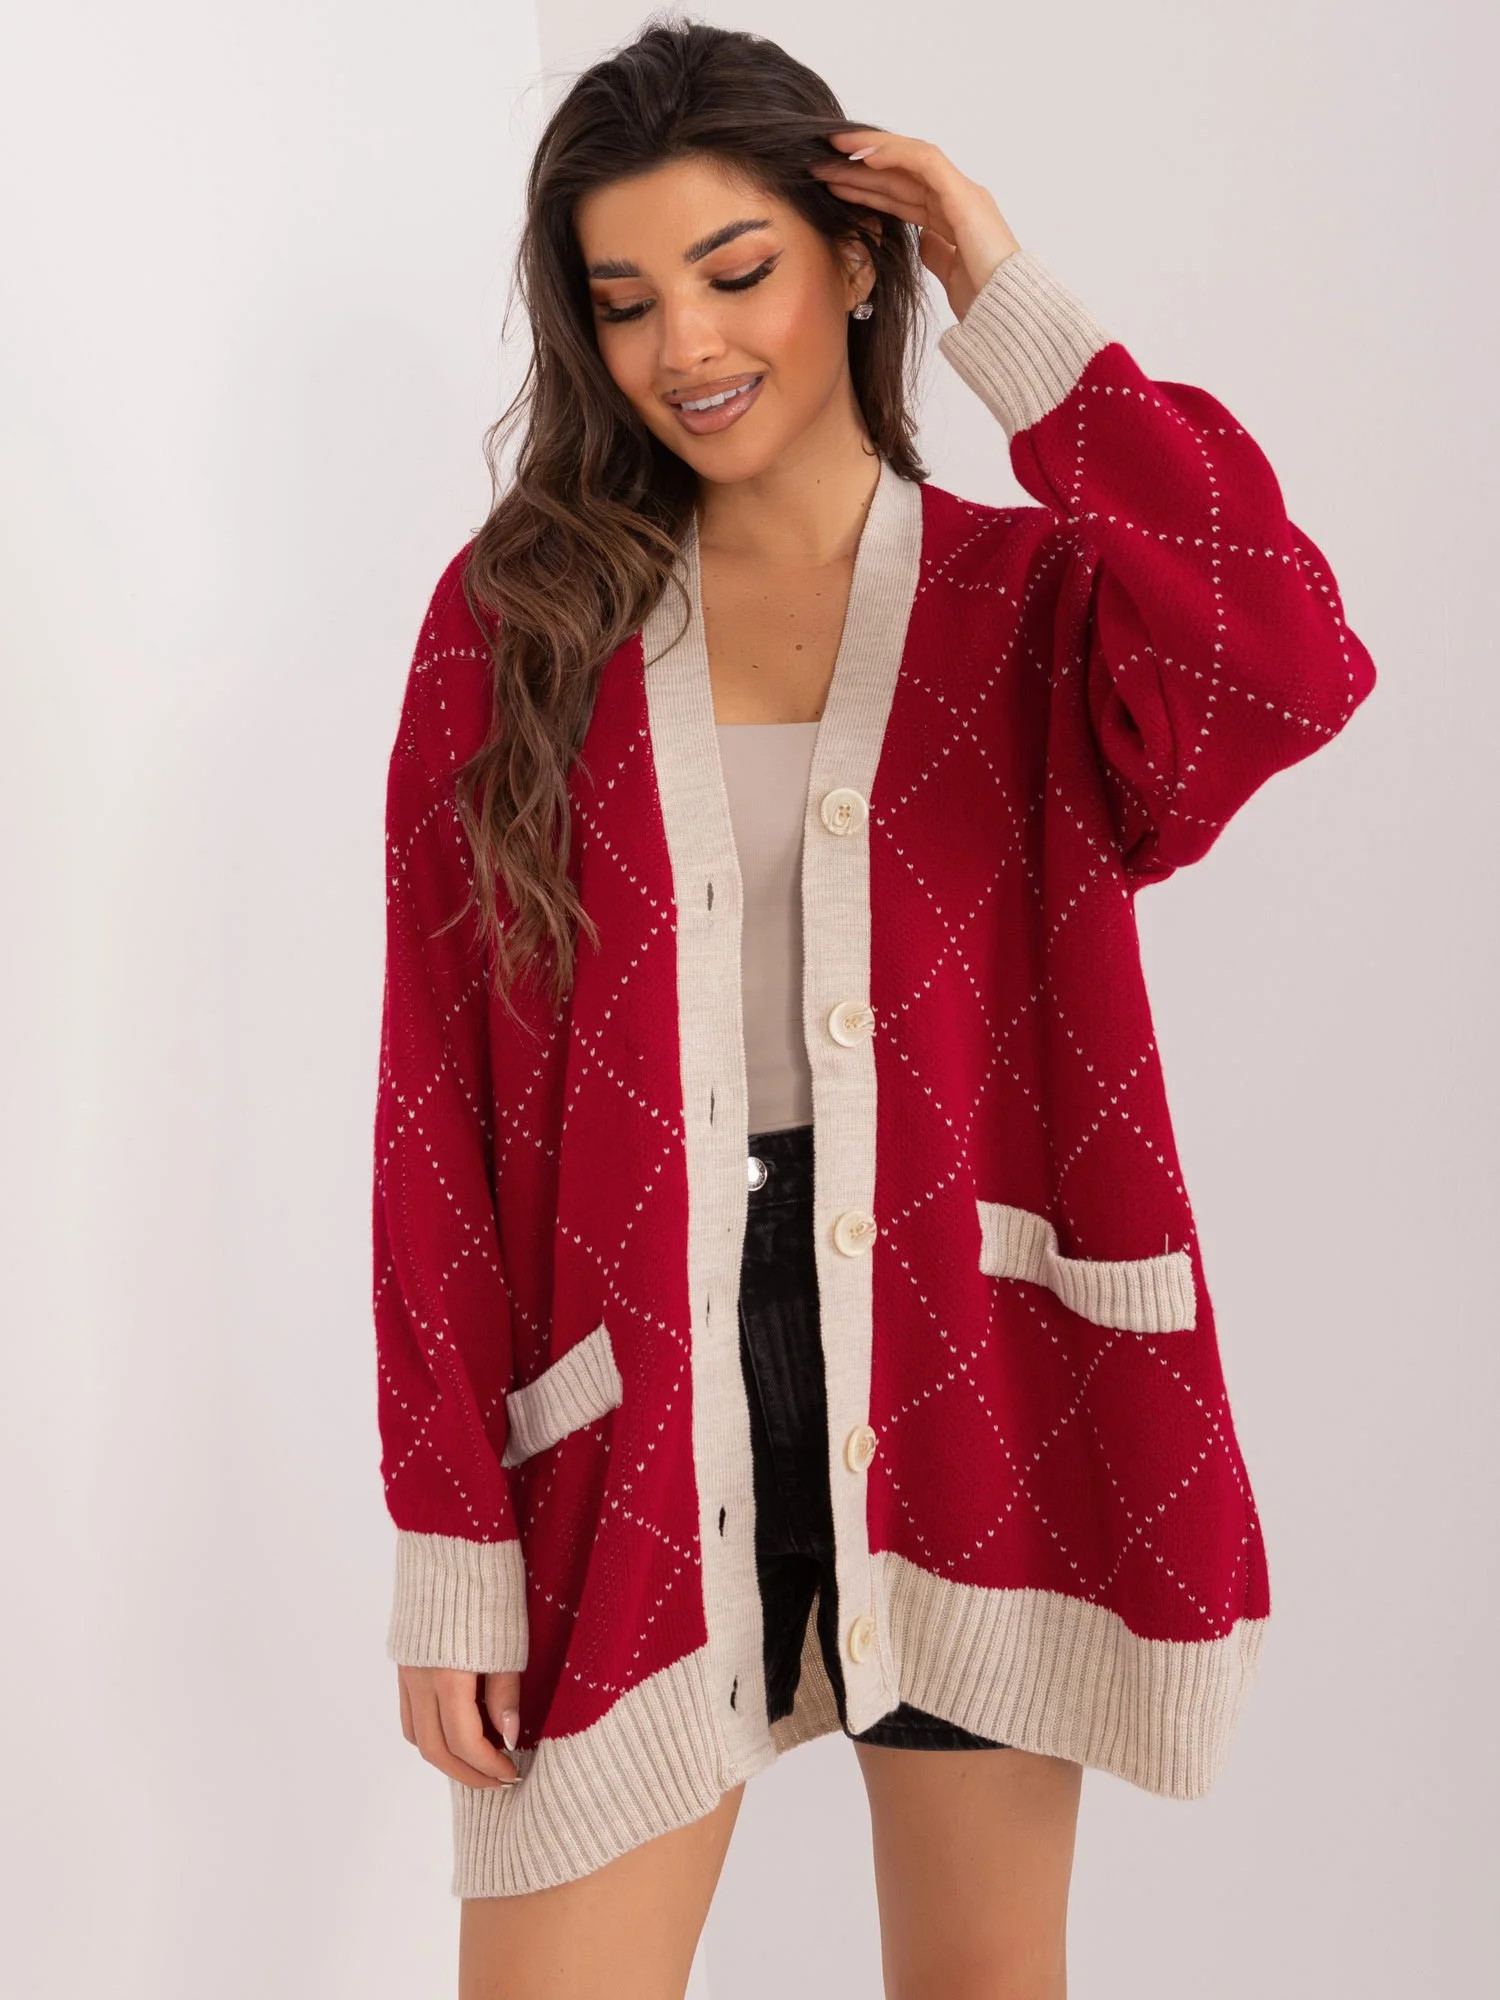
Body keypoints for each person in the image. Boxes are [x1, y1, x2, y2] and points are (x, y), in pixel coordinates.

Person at [370, 17, 1376, 1997]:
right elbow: (435, 1105)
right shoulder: (520, 624)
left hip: (971, 1358)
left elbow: (1281, 655)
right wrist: (452, 1540)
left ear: (853, 261)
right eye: (625, 301)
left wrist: (1008, 294)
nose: (684, 345)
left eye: (735, 270)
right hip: (635, 1386)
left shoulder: (1034, 606)